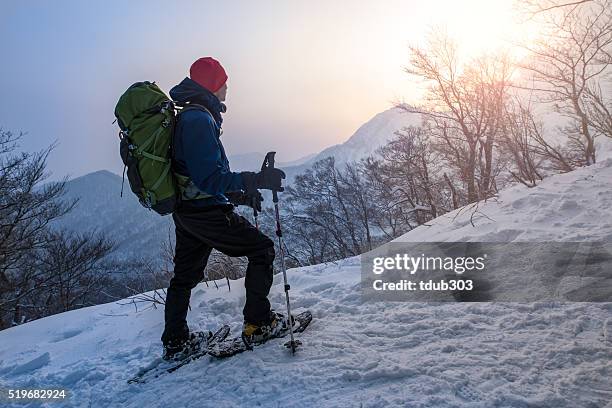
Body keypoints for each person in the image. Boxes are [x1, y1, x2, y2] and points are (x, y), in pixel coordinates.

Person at [161, 57, 287, 360]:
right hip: (205, 212)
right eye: (223, 82)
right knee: (262, 250)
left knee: (184, 277)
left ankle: (176, 341)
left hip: (189, 211)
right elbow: (208, 178)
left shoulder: (191, 115)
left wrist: (242, 196)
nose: (227, 87)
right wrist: (253, 180)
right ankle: (258, 323)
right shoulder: (198, 120)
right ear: (212, 86)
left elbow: (196, 175)